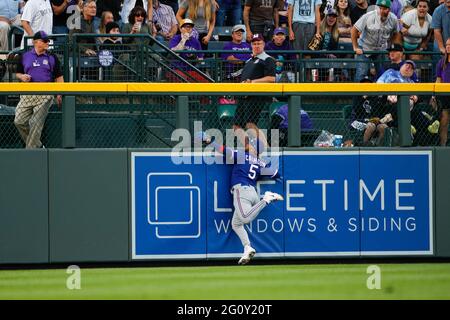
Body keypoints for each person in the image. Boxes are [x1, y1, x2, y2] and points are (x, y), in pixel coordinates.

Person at [194, 131, 284, 265]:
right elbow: (276, 174)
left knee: (245, 218)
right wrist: (263, 165)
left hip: (242, 190)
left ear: (253, 148)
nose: (247, 145)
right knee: (236, 224)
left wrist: (209, 141)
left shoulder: (243, 156)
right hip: (251, 192)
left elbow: (224, 150)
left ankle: (266, 199)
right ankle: (248, 247)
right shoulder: (261, 163)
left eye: (250, 144)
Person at [14, 31, 64, 149]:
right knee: (19, 121)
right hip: (28, 93)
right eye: (44, 41)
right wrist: (22, 76)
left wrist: (59, 93)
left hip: (45, 94)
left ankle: (30, 152)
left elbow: (59, 77)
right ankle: (38, 145)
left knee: (36, 122)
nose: (47, 43)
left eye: (47, 41)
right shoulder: (25, 56)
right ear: (35, 42)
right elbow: (18, 73)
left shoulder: (52, 57)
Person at [233, 33, 276, 142]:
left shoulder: (268, 59)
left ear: (264, 44)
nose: (257, 46)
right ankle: (248, 147)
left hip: (256, 96)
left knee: (250, 124)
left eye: (259, 43)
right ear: (251, 45)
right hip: (244, 96)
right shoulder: (249, 61)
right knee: (236, 126)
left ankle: (265, 148)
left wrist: (252, 82)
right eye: (254, 43)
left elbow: (271, 79)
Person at [351, 0, 401, 81]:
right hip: (365, 47)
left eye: (384, 8)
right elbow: (354, 29)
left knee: (383, 73)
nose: (381, 11)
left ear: (389, 9)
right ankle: (357, 93)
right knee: (361, 73)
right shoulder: (368, 16)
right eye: (380, 8)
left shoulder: (393, 19)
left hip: (381, 49)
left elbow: (396, 33)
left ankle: (380, 93)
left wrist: (392, 47)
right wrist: (355, 47)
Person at [436, 38, 450, 146]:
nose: (448, 47)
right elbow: (438, 79)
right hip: (445, 96)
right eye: (447, 45)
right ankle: (443, 145)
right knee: (444, 120)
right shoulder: (441, 62)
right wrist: (435, 95)